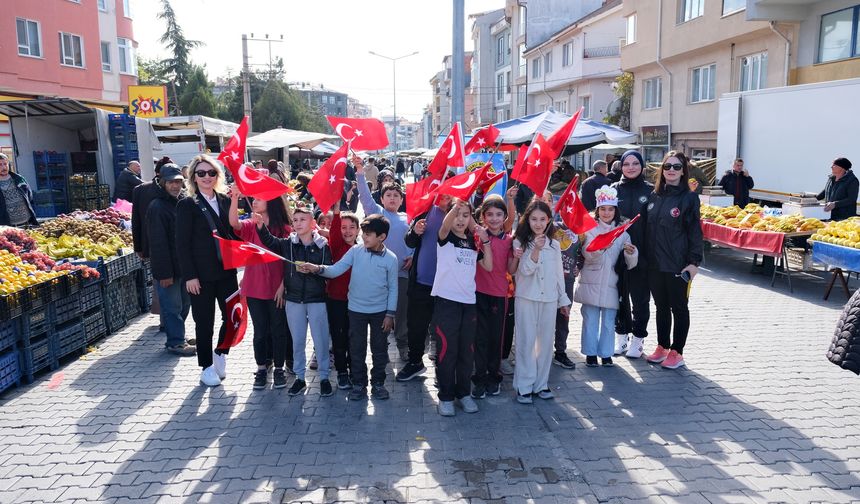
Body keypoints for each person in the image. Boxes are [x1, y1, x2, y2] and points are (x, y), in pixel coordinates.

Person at [301, 214, 399, 401]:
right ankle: (359, 383)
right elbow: (336, 269)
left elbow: (394, 288)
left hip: (380, 313)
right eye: (364, 233)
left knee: (379, 349)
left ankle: (378, 383)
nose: (363, 237)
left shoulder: (391, 259)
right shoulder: (355, 251)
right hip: (356, 311)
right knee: (356, 348)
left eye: (369, 234)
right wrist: (317, 268)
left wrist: (390, 314)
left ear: (382, 237)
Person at [255, 203, 334, 397]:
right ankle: (300, 378)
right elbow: (270, 242)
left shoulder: (322, 245)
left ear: (313, 222)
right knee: (297, 341)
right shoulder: (287, 243)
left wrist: (316, 269)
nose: (298, 223)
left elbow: (330, 270)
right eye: (295, 220)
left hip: (317, 300)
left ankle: (324, 378)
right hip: (294, 300)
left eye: (303, 219)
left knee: (321, 341)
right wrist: (260, 226)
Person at [175, 155, 240, 387]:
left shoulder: (224, 200)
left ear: (217, 175)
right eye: (201, 173)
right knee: (204, 322)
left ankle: (221, 353)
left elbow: (235, 233)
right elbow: (181, 244)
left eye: (211, 173)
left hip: (226, 271)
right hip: (200, 276)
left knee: (234, 317)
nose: (206, 177)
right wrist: (189, 275)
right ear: (193, 177)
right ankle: (206, 366)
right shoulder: (187, 204)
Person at [229, 181, 293, 390]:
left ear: (271, 201)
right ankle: (261, 368)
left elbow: (287, 260)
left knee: (278, 329)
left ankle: (280, 368)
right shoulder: (250, 223)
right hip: (254, 285)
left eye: (258, 198)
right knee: (260, 331)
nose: (254, 202)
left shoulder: (283, 228)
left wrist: (283, 286)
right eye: (253, 198)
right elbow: (234, 225)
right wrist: (234, 198)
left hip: (277, 287)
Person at [432, 199, 493, 416]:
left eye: (465, 215)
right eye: (457, 214)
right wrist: (456, 207)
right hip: (446, 302)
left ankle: (463, 394)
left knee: (466, 352)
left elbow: (488, 265)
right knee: (447, 351)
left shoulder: (472, 241)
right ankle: (446, 397)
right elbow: (445, 226)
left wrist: (484, 241)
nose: (460, 219)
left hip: (469, 303)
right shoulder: (445, 237)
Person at [644, 152, 704, 370]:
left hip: (679, 265)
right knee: (661, 307)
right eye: (667, 166)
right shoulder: (654, 196)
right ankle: (662, 346)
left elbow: (695, 233)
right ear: (662, 169)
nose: (671, 170)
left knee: (679, 308)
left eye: (676, 167)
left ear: (683, 170)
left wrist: (694, 262)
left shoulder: (689, 198)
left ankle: (677, 351)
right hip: (655, 264)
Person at [509, 199, 571, 404]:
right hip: (527, 298)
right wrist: (535, 249)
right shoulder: (519, 242)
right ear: (527, 219)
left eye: (542, 219)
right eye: (534, 219)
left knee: (545, 344)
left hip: (550, 299)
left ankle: (541, 384)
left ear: (548, 220)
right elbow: (524, 271)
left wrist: (563, 300)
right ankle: (524, 385)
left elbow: (558, 275)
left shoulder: (554, 244)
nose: (538, 223)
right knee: (526, 342)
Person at [353, 157, 414, 361]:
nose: (393, 198)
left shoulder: (408, 218)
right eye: (389, 195)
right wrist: (360, 172)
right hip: (378, 275)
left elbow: (415, 242)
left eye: (397, 195)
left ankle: (403, 345)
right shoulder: (377, 213)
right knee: (382, 314)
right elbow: (364, 197)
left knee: (403, 313)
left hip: (402, 273)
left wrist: (412, 257)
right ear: (382, 199)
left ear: (401, 199)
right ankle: (382, 345)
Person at [575, 186, 638, 367]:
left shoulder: (623, 233)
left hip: (613, 283)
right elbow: (587, 254)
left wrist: (631, 253)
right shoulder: (589, 230)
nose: (606, 213)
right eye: (603, 209)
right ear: (597, 210)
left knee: (609, 321)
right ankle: (590, 353)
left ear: (615, 211)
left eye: (610, 209)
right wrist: (600, 248)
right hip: (591, 281)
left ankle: (606, 353)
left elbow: (631, 264)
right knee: (590, 320)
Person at [398, 192, 453, 382]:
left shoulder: (460, 214)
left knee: (443, 329)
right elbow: (409, 241)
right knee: (416, 326)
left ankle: (443, 369)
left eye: (451, 194)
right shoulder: (427, 211)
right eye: (445, 193)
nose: (446, 198)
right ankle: (415, 363)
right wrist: (415, 231)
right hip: (421, 282)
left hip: (447, 285)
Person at [146, 164, 194, 356]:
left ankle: (179, 336)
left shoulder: (182, 200)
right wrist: (164, 273)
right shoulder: (157, 207)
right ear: (162, 183)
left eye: (178, 181)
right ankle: (175, 342)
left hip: (184, 266)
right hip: (168, 269)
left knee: (185, 304)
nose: (175, 186)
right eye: (171, 182)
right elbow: (157, 244)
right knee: (172, 307)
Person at [472, 193, 517, 399]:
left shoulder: (509, 240)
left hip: (499, 294)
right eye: (489, 214)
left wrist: (517, 257)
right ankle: (479, 378)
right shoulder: (477, 237)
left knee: (495, 339)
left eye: (499, 214)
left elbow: (511, 268)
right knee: (479, 338)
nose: (494, 218)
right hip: (478, 292)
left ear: (505, 217)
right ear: (482, 216)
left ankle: (494, 377)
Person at [611, 150, 653, 359]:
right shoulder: (612, 189)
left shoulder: (652, 191)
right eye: (626, 164)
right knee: (619, 298)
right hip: (616, 255)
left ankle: (638, 339)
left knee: (640, 300)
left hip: (642, 256)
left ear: (642, 166)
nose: (630, 167)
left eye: (635, 163)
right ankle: (621, 336)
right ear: (621, 166)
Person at [321, 203, 360, 391]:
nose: (347, 231)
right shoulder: (337, 246)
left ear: (359, 230)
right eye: (344, 227)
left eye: (352, 227)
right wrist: (336, 211)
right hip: (336, 300)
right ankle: (342, 372)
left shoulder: (362, 249)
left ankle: (355, 370)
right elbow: (335, 231)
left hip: (357, 302)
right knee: (339, 337)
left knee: (355, 338)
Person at [539, 190, 579, 370]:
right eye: (541, 200)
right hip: (542, 280)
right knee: (541, 318)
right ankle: (538, 353)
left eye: (549, 200)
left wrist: (580, 264)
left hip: (566, 279)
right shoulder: (536, 226)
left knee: (563, 316)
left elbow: (584, 249)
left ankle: (561, 351)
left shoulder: (570, 228)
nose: (546, 203)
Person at [0, 153, 37, 227]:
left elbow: (30, 197)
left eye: (5, 164)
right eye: (0, 165)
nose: (4, 167)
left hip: (28, 223)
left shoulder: (19, 179)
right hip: (8, 228)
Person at [817, 157, 858, 222]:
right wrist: (810, 199)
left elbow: (851, 199)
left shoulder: (852, 181)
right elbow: (825, 192)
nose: (831, 167)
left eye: (834, 165)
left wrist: (835, 204)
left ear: (842, 167)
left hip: (844, 219)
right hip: (829, 216)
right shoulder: (831, 178)